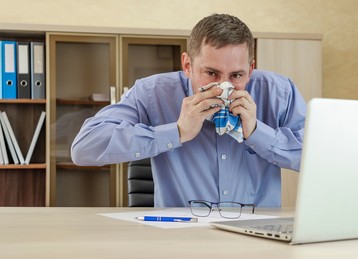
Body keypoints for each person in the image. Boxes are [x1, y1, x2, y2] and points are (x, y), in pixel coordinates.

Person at [71, 13, 306, 208]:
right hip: (180, 236)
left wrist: (258, 134)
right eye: (211, 73)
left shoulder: (279, 92)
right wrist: (176, 132)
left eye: (236, 75)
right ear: (187, 65)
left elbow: (319, 159)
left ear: (251, 69)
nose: (223, 86)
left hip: (258, 235)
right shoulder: (152, 93)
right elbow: (84, 148)